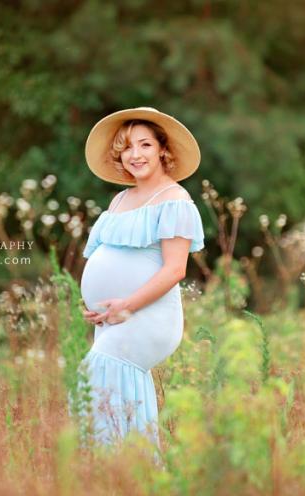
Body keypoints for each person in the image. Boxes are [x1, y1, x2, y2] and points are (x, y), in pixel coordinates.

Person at [71, 107, 205, 460]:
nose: (135, 154)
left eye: (145, 144)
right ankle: (120, 480)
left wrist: (127, 304)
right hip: (114, 318)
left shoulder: (175, 199)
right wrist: (100, 305)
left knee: (95, 379)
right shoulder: (119, 199)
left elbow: (175, 270)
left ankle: (127, 471)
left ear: (162, 149)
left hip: (147, 316)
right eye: (127, 147)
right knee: (103, 392)